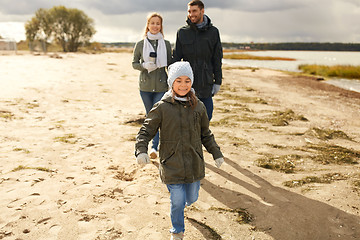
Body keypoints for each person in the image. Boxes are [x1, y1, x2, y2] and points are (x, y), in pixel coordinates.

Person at [135, 61, 224, 240]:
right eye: (178, 81)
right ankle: (177, 231)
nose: (183, 85)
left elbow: (206, 134)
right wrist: (141, 150)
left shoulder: (198, 107)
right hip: (171, 163)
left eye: (187, 81)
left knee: (191, 198)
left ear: (191, 82)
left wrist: (216, 153)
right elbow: (146, 130)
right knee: (176, 199)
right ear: (171, 83)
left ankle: (184, 206)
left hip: (194, 163)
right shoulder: (161, 107)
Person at [172, 0, 223, 121]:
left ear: (202, 11)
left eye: (194, 11)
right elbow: (176, 59)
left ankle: (199, 140)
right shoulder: (182, 32)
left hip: (206, 83)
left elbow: (217, 58)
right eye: (189, 11)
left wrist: (218, 81)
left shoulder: (213, 32)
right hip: (187, 84)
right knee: (186, 119)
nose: (191, 14)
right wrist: (173, 82)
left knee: (206, 117)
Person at [132, 12, 172, 159]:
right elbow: (134, 64)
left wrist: (175, 82)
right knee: (150, 116)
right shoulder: (140, 44)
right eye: (152, 23)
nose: (155, 26)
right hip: (145, 87)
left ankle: (154, 147)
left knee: (157, 116)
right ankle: (150, 144)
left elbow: (170, 65)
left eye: (158, 23)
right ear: (148, 25)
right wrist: (144, 65)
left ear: (161, 26)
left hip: (161, 87)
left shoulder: (166, 44)